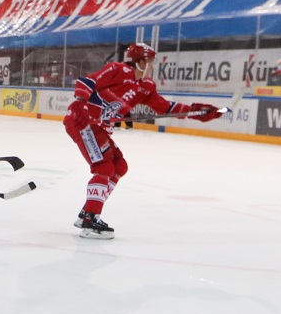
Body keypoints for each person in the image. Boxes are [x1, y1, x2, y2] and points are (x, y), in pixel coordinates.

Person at [64, 42, 221, 239]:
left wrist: (196, 111)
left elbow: (164, 107)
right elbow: (86, 83)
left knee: (119, 166)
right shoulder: (117, 69)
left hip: (99, 126)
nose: (152, 66)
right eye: (150, 61)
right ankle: (91, 219)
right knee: (103, 167)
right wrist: (83, 104)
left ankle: (88, 210)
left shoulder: (145, 87)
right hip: (84, 121)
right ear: (138, 62)